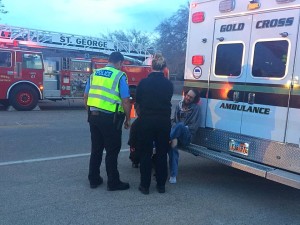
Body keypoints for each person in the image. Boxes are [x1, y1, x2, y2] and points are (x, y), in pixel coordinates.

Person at [84, 51, 131, 191]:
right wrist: (128, 119)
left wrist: (90, 112)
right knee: (112, 150)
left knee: (96, 149)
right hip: (111, 119)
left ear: (109, 60)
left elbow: (85, 97)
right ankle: (113, 182)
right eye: (121, 65)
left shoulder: (94, 74)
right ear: (120, 62)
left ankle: (94, 179)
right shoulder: (119, 75)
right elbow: (126, 100)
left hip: (93, 116)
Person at [135, 53, 173, 194]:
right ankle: (161, 185)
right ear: (164, 67)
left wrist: (142, 115)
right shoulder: (168, 84)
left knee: (145, 153)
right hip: (163, 122)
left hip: (146, 121)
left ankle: (145, 186)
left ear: (151, 66)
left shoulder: (143, 83)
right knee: (162, 153)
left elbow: (137, 102)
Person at [168, 89, 201, 184]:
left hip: (187, 136)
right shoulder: (179, 105)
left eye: (191, 97)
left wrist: (180, 128)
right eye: (187, 95)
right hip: (175, 135)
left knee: (181, 126)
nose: (188, 98)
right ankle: (173, 176)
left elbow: (194, 127)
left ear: (194, 99)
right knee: (172, 147)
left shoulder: (196, 108)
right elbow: (174, 120)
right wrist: (175, 130)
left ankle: (164, 141)